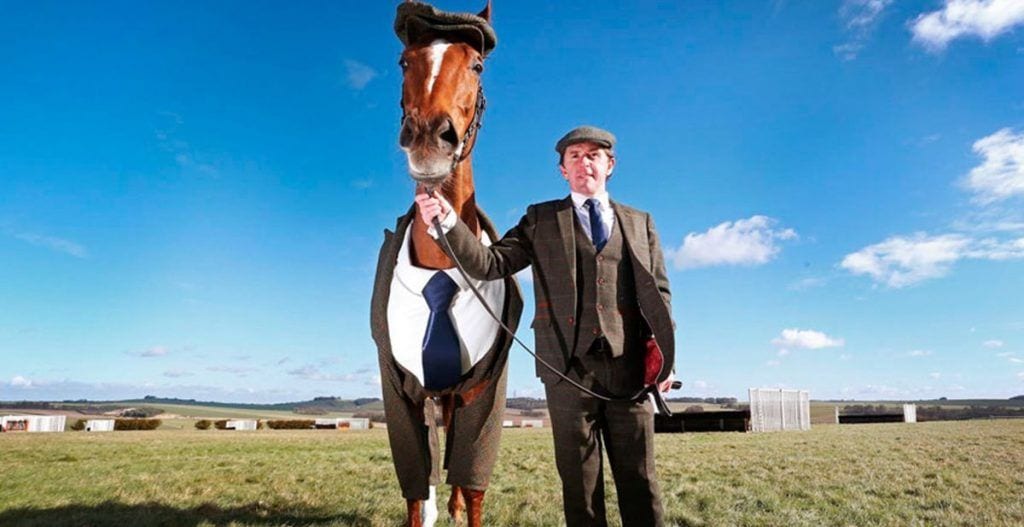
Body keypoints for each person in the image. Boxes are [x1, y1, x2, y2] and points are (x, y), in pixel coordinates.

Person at [414, 125, 675, 527]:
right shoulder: (541, 218)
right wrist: (449, 225)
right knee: (580, 490)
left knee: (640, 482)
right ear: (562, 171)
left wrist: (666, 359)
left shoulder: (641, 222)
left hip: (631, 374)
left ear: (610, 165)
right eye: (574, 156)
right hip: (566, 373)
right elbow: (492, 264)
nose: (584, 162)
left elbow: (659, 294)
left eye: (593, 155)